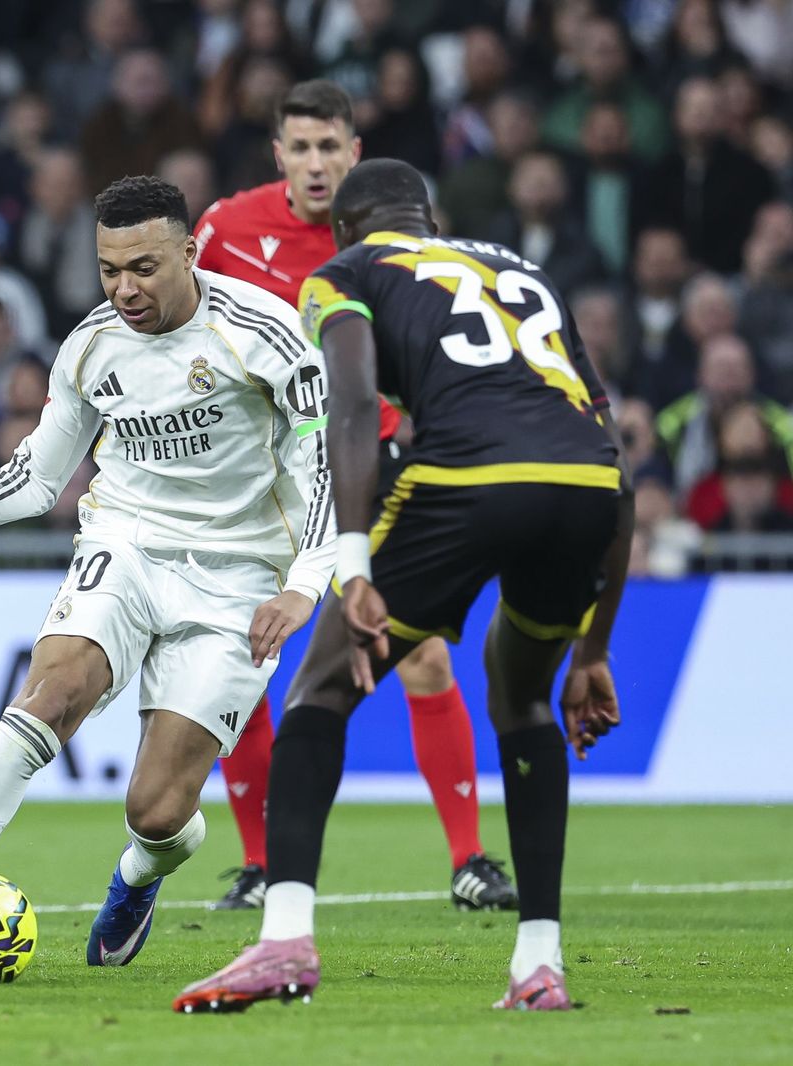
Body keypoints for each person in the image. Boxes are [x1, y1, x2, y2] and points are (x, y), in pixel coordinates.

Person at [174, 160, 633, 1014]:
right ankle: (539, 965)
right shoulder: (521, 270)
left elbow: (351, 405)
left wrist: (352, 564)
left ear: (347, 227)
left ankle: (283, 942)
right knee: (523, 699)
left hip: (464, 480)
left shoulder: (344, 273)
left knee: (319, 685)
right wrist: (594, 649)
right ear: (428, 216)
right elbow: (615, 456)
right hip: (585, 487)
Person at [0, 176, 334, 972]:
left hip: (239, 576)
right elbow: (40, 477)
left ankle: (141, 872)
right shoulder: (90, 346)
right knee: (47, 700)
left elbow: (327, 467)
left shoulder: (266, 333)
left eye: (144, 268)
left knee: (155, 811)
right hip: (126, 546)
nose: (125, 288)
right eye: (110, 269)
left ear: (190, 252)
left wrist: (304, 585)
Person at [193, 80, 513, 913]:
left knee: (424, 655)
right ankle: (261, 865)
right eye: (299, 148)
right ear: (278, 155)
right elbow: (176, 323)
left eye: (329, 147)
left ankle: (471, 859)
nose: (315, 164)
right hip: (265, 481)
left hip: (374, 472)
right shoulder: (227, 228)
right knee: (244, 666)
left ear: (354, 153)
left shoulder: (392, 240)